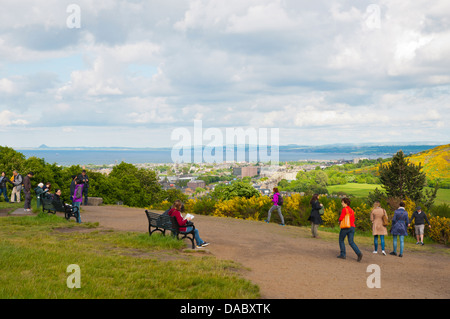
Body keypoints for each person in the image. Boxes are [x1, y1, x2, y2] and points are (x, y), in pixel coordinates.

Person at [337, 198, 363, 262]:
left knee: (341, 240)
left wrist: (339, 221)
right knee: (351, 242)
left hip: (346, 227)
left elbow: (341, 217)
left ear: (346, 203)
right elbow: (353, 219)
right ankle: (359, 253)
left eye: (342, 202)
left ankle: (343, 254)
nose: (341, 203)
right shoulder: (351, 210)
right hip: (352, 227)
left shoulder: (344, 209)